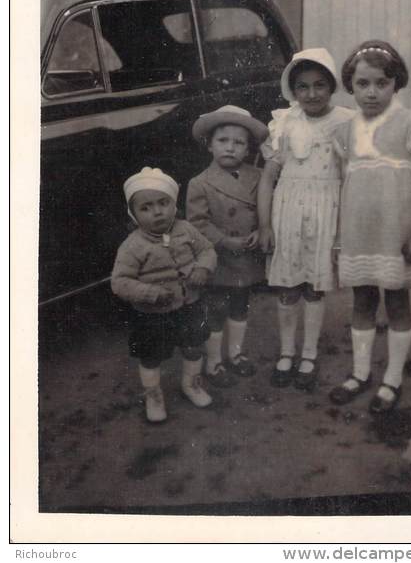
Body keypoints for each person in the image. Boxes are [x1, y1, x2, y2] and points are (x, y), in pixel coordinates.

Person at [329, 40, 411, 413]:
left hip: (398, 236)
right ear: (351, 86)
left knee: (396, 300)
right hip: (360, 234)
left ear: (396, 84)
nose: (372, 92)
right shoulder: (345, 132)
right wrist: (339, 238)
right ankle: (360, 373)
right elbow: (346, 186)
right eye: (362, 84)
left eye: (381, 83)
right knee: (361, 300)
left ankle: (392, 378)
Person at [258, 49, 353, 391]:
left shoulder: (345, 122)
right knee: (287, 285)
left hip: (326, 209)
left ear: (331, 86)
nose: (311, 94)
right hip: (288, 211)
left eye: (319, 85)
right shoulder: (284, 122)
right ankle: (287, 352)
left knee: (314, 285)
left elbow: (349, 178)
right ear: (293, 90)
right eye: (303, 87)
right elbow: (268, 179)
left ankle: (309, 353)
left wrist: (343, 232)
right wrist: (266, 224)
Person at [111, 167, 217, 423]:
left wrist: (203, 267)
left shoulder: (187, 230)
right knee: (151, 356)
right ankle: (153, 396)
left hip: (189, 305)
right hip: (152, 315)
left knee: (193, 346)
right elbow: (120, 282)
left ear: (174, 204)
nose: (157, 212)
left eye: (163, 203)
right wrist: (149, 293)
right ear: (133, 214)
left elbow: (207, 250)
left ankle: (191, 384)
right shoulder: (133, 246)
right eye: (146, 208)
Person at [186, 105, 269, 387]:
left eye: (238, 142)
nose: (230, 148)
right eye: (223, 141)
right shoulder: (199, 183)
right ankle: (214, 362)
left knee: (241, 304)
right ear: (209, 145)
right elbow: (198, 224)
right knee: (217, 309)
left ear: (248, 149)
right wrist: (225, 240)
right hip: (219, 257)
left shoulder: (258, 177)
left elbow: (265, 210)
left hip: (246, 254)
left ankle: (235, 354)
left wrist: (261, 230)